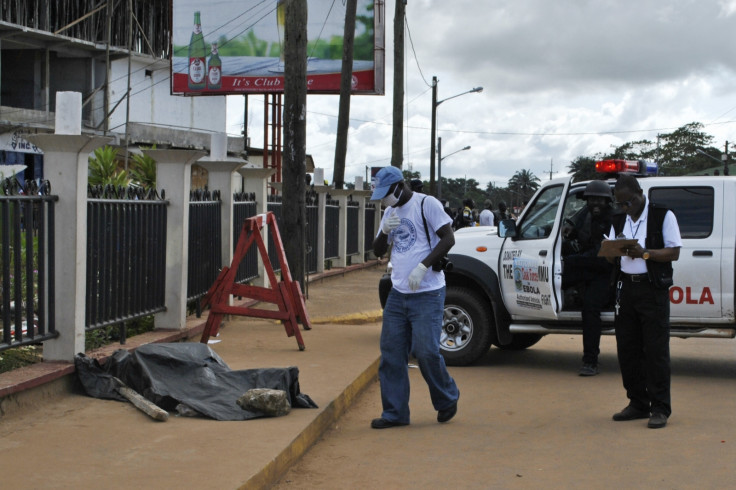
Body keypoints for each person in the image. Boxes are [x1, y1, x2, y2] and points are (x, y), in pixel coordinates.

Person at [370, 166, 459, 429]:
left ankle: (447, 398)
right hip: (398, 293)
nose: (385, 200)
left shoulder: (426, 204)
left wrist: (423, 266)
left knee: (426, 351)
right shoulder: (389, 212)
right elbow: (377, 251)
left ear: (399, 186)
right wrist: (384, 231)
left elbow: (448, 238)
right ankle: (395, 413)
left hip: (428, 292)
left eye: (387, 194)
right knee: (392, 353)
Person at [608, 174, 681, 429]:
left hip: (652, 290)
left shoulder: (663, 215)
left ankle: (660, 408)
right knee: (627, 348)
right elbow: (611, 251)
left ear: (640, 194)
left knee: (655, 351)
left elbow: (674, 252)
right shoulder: (619, 219)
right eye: (620, 204)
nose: (625, 208)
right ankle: (638, 403)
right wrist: (610, 252)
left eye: (628, 202)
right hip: (626, 288)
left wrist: (645, 253)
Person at [560, 180, 615, 376]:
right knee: (555, 276)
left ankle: (590, 361)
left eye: (600, 200)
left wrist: (570, 260)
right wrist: (570, 226)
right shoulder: (587, 214)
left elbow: (600, 254)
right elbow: (582, 216)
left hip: (603, 271)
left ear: (608, 201)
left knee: (590, 309)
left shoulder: (613, 220)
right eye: (592, 200)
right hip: (585, 267)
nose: (595, 204)